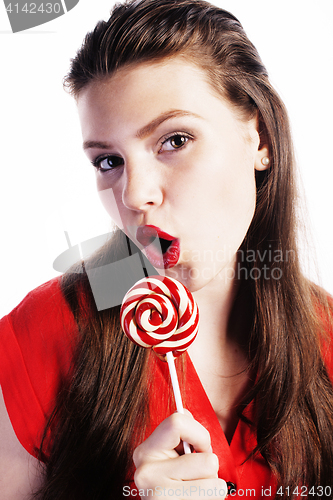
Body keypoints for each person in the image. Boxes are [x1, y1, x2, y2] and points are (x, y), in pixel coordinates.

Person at [1, 0, 333, 498]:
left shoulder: (326, 335)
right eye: (109, 160)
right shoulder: (41, 335)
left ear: (258, 137)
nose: (134, 196)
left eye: (174, 140)